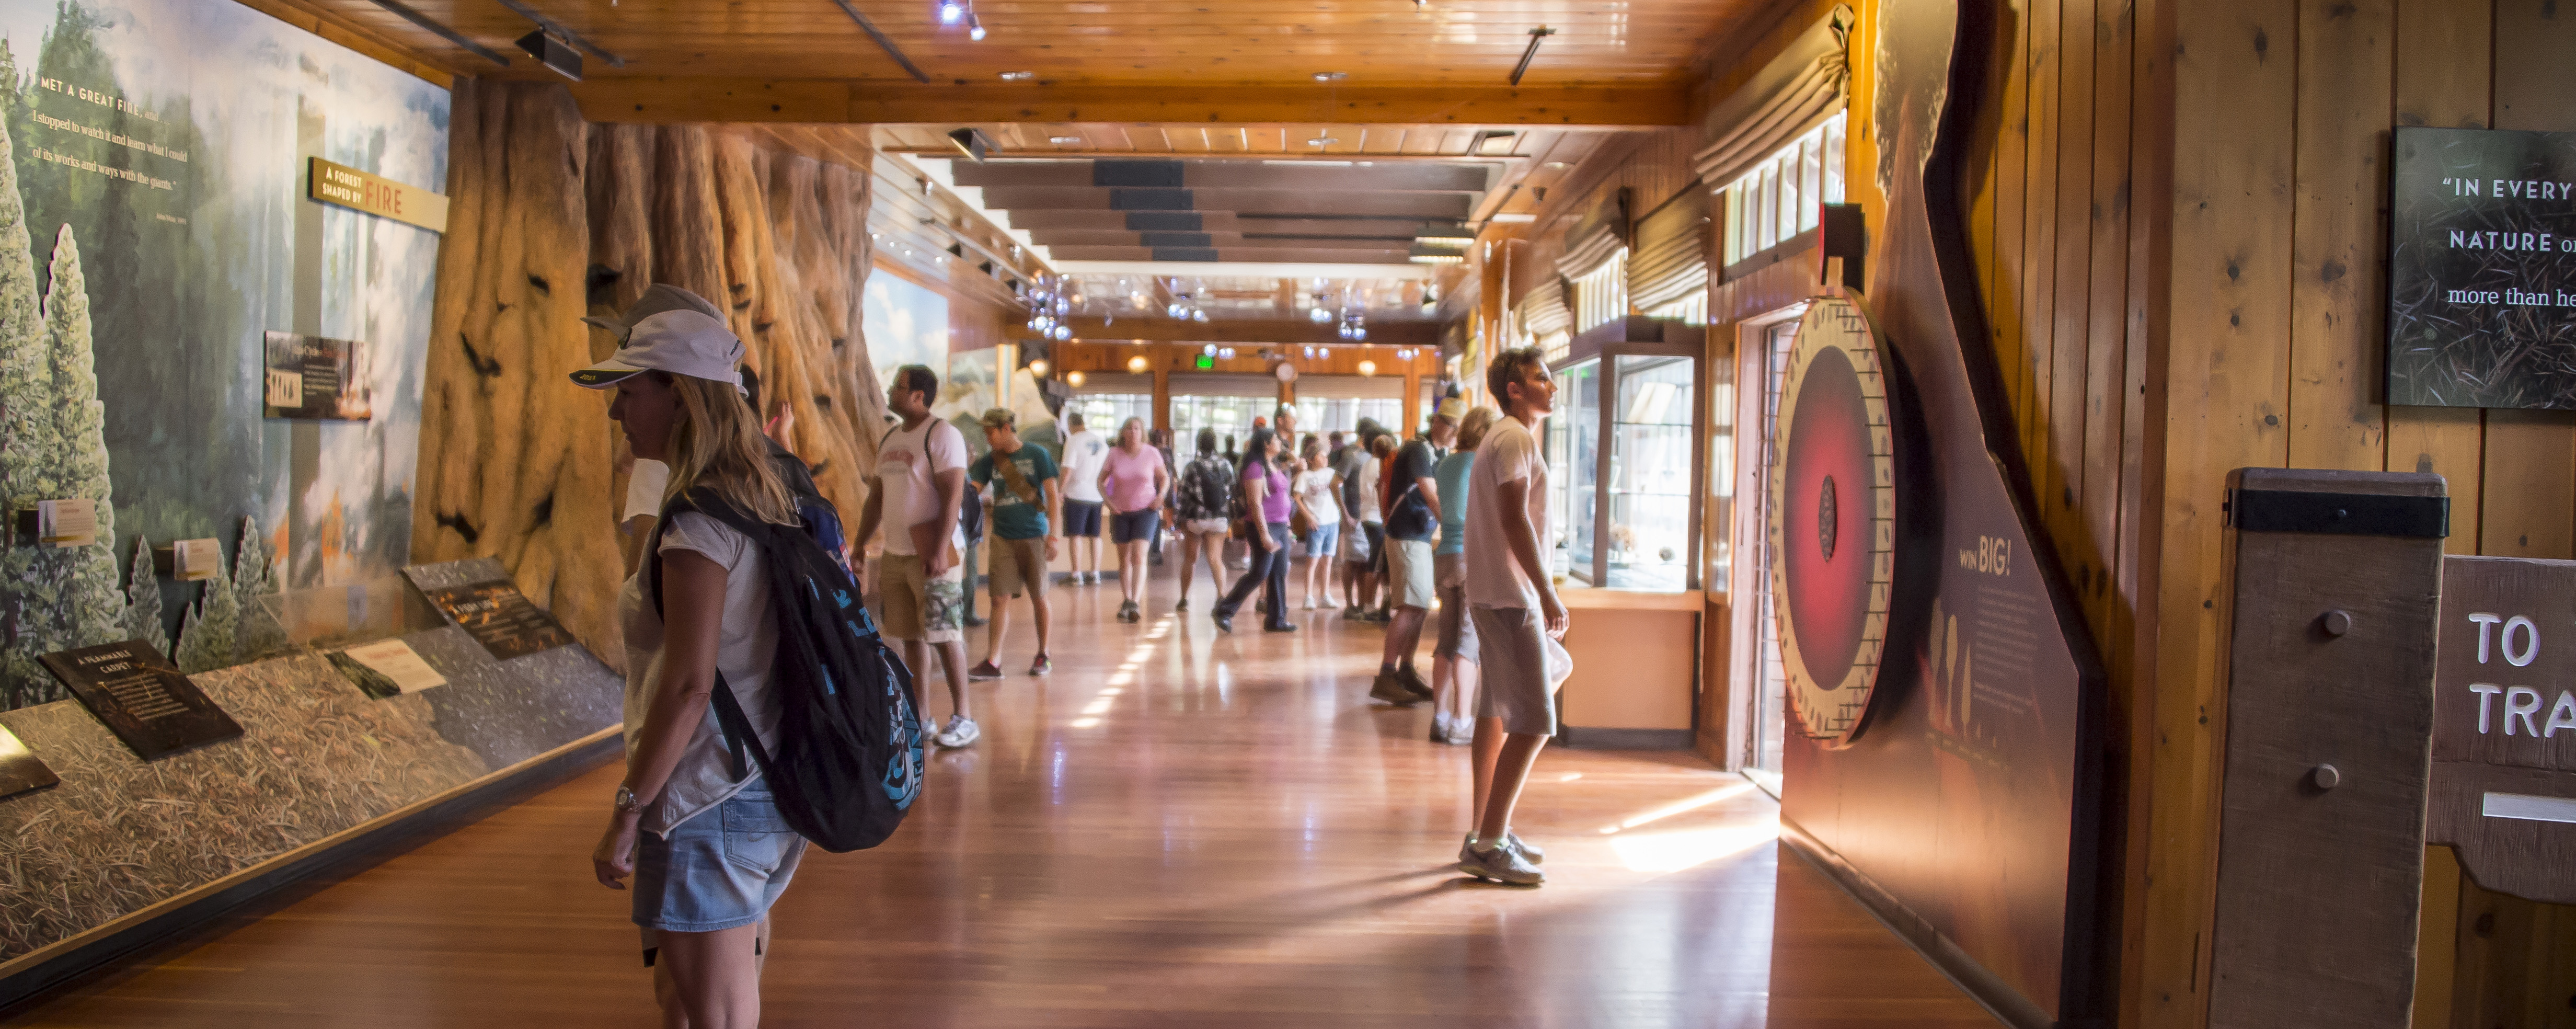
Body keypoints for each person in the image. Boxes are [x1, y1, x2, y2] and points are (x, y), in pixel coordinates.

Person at [574, 284, 806, 1025]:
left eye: (630, 392)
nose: (617, 412)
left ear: (681, 397)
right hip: (756, 780)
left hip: (708, 795)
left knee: (718, 1013)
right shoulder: (761, 493)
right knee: (692, 997)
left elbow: (688, 685)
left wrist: (628, 809)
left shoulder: (699, 520)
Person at [1456, 348, 1572, 887]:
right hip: (1511, 597)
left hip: (1496, 593)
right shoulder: (1513, 438)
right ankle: (1488, 845)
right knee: (1534, 721)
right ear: (1514, 391)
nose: (1552, 386)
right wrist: (1545, 593)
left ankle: (1489, 828)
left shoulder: (1505, 438)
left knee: (1504, 708)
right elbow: (1513, 518)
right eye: (1540, 379)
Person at [853, 364, 979, 750]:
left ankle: (964, 717)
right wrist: (859, 545)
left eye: (898, 387)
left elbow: (953, 494)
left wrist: (940, 549)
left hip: (932, 556)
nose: (891, 391)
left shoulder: (943, 435)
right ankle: (920, 716)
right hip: (895, 554)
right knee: (910, 637)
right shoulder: (891, 437)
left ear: (918, 396)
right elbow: (877, 496)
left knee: (944, 633)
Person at [1371, 402, 1459, 706]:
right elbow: (1430, 492)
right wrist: (1454, 527)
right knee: (1411, 606)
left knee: (1420, 605)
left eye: (1457, 427)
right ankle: (1386, 673)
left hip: (1419, 535)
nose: (1453, 432)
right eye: (1450, 424)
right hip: (1406, 534)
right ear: (1437, 422)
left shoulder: (1441, 453)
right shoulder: (1418, 449)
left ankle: (1406, 669)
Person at [967, 408, 1061, 678]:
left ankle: (1043, 654)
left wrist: (1054, 536)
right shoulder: (989, 461)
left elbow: (1053, 497)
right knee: (999, 599)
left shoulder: (1037, 454)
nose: (988, 439)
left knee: (1039, 596)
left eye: (990, 432)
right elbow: (970, 490)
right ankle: (993, 661)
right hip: (1002, 537)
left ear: (1006, 429)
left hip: (1034, 535)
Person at [1430, 406, 1497, 745]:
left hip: (1444, 557)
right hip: (1474, 557)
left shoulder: (1446, 464)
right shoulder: (1484, 465)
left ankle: (1439, 717)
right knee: (1467, 644)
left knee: (1445, 640)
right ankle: (1462, 721)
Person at [1210, 427, 1295, 634]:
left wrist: (1287, 524)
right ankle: (1223, 610)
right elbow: (1255, 504)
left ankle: (1277, 619)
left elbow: (1287, 482)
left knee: (1279, 571)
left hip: (1281, 524)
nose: (1280, 443)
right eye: (1276, 439)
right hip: (1263, 525)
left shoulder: (1274, 464)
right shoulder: (1255, 467)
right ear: (1266, 443)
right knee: (1260, 572)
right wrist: (1264, 534)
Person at [1097, 416, 1171, 623]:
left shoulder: (1151, 453)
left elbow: (1164, 477)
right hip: (1121, 512)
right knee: (1124, 558)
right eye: (1129, 428)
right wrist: (1108, 502)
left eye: (1137, 428)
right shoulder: (1114, 454)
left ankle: (1135, 601)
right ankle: (1126, 598)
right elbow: (1100, 482)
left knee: (1139, 556)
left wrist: (1161, 495)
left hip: (1146, 510)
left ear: (1142, 433)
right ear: (1123, 433)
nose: (1133, 432)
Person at [1172, 429, 1236, 612]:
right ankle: (1221, 596)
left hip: (1196, 520)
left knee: (1190, 559)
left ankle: (1184, 599)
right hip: (1219, 519)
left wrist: (1177, 522)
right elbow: (1232, 492)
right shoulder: (1226, 465)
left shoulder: (1192, 467)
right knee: (1216, 559)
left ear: (1198, 443)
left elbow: (1183, 497)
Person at [1057, 411, 1109, 585]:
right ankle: (1095, 574)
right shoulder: (1102, 443)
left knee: (1076, 535)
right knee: (1095, 536)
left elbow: (1067, 470)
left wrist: (1059, 490)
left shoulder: (1073, 441)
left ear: (1071, 425)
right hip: (1097, 495)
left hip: (1076, 495)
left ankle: (1076, 575)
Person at [1348, 433, 1393, 622]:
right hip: (1377, 516)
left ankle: (1385, 600)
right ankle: (1368, 606)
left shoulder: (1367, 463)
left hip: (1367, 514)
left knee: (1381, 561)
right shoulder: (1381, 465)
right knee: (1376, 562)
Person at [1292, 437, 1341, 610]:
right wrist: (1309, 516)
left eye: (1326, 456)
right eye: (1321, 456)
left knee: (1328, 560)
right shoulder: (1305, 476)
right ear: (1312, 459)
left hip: (1332, 521)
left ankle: (1325, 594)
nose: (1325, 459)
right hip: (1317, 523)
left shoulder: (1331, 473)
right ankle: (1308, 596)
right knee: (1313, 560)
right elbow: (1297, 498)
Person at [1147, 428, 1177, 566]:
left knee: (1154, 519)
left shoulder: (1151, 452)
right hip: (1167, 487)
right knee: (1158, 518)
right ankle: (1155, 552)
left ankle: (1152, 551)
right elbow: (1172, 469)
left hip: (1155, 487)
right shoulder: (1168, 451)